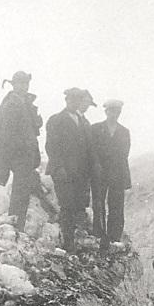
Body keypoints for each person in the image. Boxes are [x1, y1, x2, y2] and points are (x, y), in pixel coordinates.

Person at [0, 71, 52, 231]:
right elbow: (8, 132)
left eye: (26, 84)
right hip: (19, 154)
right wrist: (19, 150)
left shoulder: (23, 102)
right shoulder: (12, 104)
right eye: (20, 83)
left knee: (23, 189)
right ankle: (16, 224)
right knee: (20, 191)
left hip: (26, 154)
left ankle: (17, 222)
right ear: (14, 85)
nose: (24, 87)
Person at [45, 88, 95, 251]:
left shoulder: (82, 122)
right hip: (64, 173)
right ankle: (68, 243)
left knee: (79, 206)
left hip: (80, 173)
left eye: (77, 100)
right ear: (67, 101)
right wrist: (58, 167)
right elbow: (51, 146)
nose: (74, 103)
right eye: (71, 100)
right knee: (67, 207)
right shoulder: (56, 120)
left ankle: (79, 240)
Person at [89, 99, 132, 252]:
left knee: (117, 205)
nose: (115, 114)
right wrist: (98, 165)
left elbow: (123, 153)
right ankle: (99, 234)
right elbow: (92, 150)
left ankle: (114, 236)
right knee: (98, 203)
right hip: (99, 172)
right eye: (112, 111)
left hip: (117, 173)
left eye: (117, 112)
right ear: (106, 112)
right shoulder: (95, 129)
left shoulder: (124, 132)